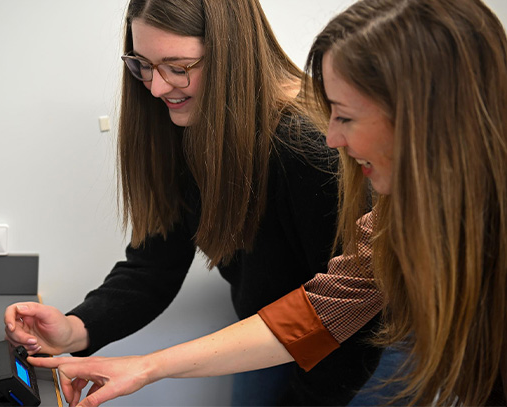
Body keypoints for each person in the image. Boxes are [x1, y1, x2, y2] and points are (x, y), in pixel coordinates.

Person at [26, 0, 507, 406]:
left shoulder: (307, 144)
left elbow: (349, 330)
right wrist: (129, 357)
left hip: (357, 361)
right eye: (144, 67)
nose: (333, 137)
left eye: (345, 115)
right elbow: (322, 309)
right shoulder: (393, 220)